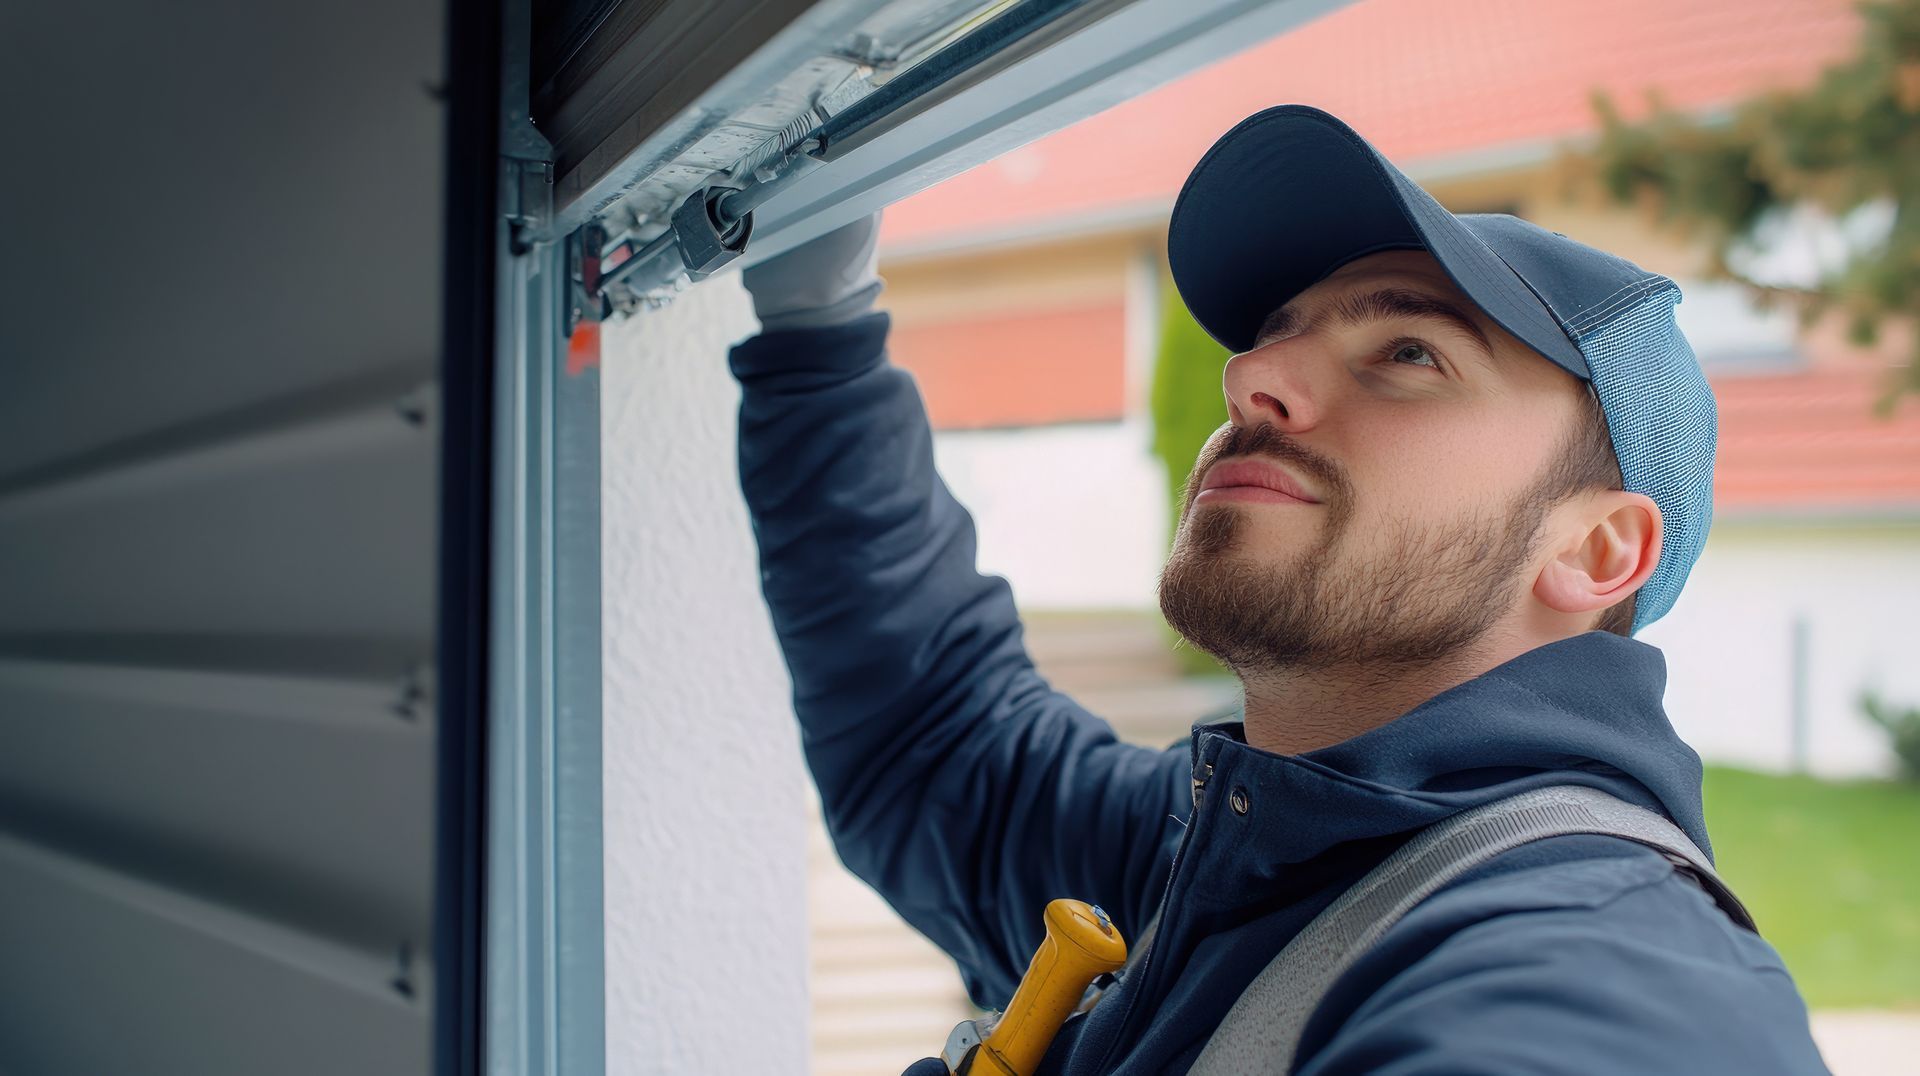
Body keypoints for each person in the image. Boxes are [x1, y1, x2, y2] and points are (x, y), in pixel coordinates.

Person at [727, 105, 1828, 1073]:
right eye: (1274, 335)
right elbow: (941, 744)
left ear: (1598, 553)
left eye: (1408, 351)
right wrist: (820, 326)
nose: (1250, 375)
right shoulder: (1217, 858)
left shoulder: (1592, 966)